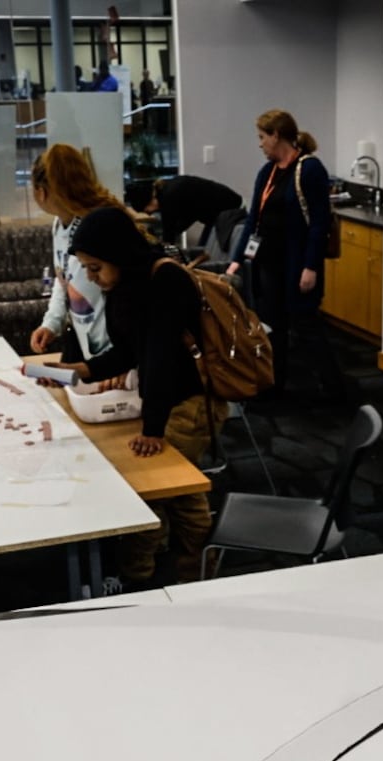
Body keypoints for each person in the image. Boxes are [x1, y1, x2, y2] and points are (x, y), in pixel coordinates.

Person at [46, 207, 224, 586]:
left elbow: (159, 358)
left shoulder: (162, 281)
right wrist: (82, 370)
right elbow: (130, 351)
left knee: (159, 489)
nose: (92, 278)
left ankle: (156, 573)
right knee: (178, 489)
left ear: (119, 253)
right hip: (166, 398)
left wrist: (153, 430)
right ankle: (192, 561)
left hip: (188, 402)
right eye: (86, 269)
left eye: (96, 268)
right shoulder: (125, 283)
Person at [226, 110, 346, 400]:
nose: (260, 144)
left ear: (277, 136)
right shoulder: (266, 172)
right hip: (268, 265)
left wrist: (311, 266)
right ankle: (274, 386)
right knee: (273, 329)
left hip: (297, 264)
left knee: (306, 326)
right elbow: (254, 218)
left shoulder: (310, 169)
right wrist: (235, 261)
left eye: (262, 137)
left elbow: (318, 224)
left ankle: (335, 389)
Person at [28, 144, 131, 365]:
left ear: (41, 192)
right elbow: (64, 278)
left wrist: (124, 362)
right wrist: (51, 323)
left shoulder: (98, 227)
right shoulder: (59, 226)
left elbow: (128, 296)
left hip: (117, 354)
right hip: (89, 352)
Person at [125, 174, 243, 249]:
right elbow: (189, 216)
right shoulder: (168, 188)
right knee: (203, 248)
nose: (150, 213)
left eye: (147, 211)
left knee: (205, 250)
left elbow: (169, 236)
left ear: (150, 202)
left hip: (228, 209)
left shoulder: (167, 199)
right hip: (229, 203)